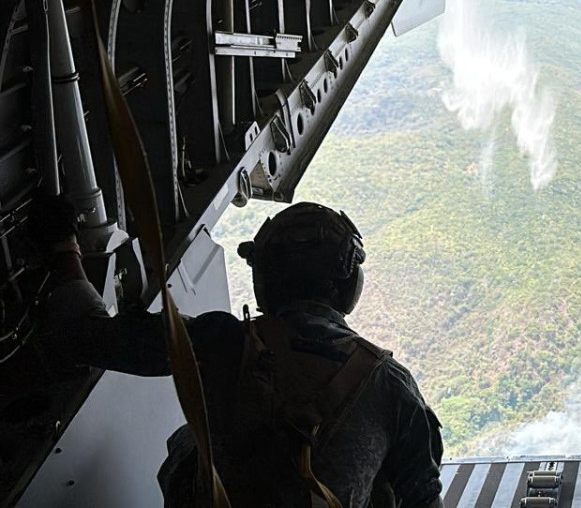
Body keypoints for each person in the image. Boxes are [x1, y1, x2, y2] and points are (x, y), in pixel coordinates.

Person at [32, 197, 444, 508]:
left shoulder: (220, 342)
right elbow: (423, 495)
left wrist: (63, 248)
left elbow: (79, 336)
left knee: (189, 441)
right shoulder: (392, 385)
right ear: (349, 284)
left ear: (265, 280)